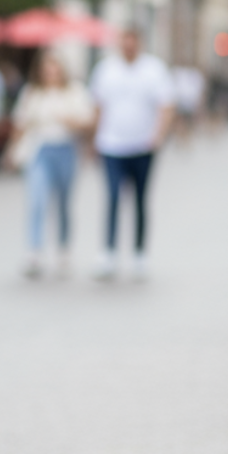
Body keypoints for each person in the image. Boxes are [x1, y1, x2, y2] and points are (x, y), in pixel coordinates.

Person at [89, 27, 175, 279]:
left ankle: (139, 253)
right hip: (111, 145)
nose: (128, 46)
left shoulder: (154, 69)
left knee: (140, 199)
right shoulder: (105, 69)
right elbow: (98, 106)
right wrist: (92, 139)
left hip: (142, 146)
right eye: (124, 42)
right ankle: (109, 253)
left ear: (139, 43)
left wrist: (158, 136)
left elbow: (166, 105)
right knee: (113, 197)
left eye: (132, 42)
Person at [6, 51, 94, 277]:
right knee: (37, 200)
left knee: (64, 202)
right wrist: (11, 150)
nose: (51, 73)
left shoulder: (74, 92)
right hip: (40, 149)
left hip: (66, 149)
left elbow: (88, 122)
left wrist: (69, 120)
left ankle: (63, 249)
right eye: (47, 69)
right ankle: (34, 252)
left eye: (54, 68)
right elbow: (21, 123)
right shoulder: (32, 93)